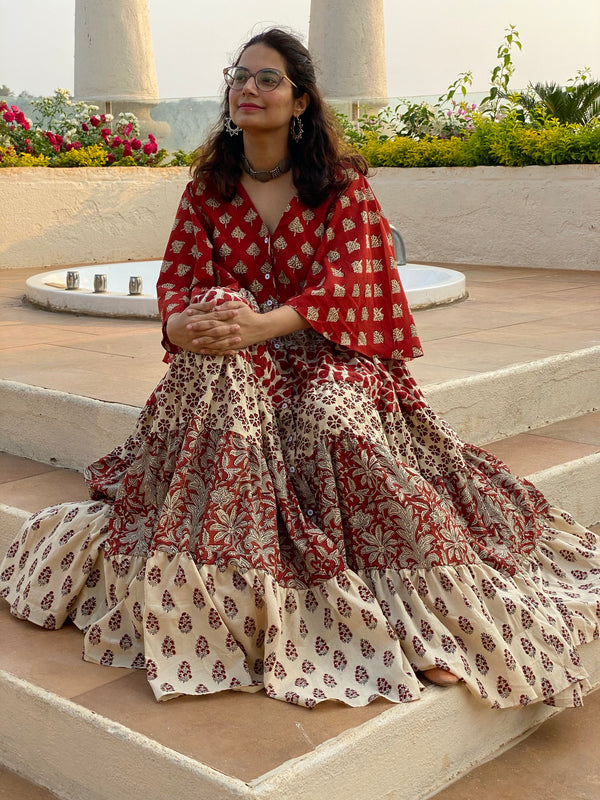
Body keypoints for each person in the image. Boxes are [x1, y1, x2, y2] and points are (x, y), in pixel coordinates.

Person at [1, 28, 599, 711]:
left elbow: (353, 281)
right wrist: (182, 325)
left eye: (267, 79)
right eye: (240, 77)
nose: (248, 88)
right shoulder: (209, 188)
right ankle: (231, 603)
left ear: (301, 100)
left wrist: (266, 323)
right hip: (241, 361)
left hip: (330, 352)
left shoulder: (342, 187)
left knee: (331, 419)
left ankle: (427, 617)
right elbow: (178, 279)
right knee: (219, 350)